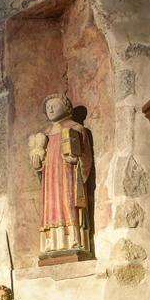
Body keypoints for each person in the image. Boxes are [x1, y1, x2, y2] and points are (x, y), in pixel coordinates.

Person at [28, 93, 93, 258]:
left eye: (54, 105)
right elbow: (43, 164)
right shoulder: (45, 136)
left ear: (67, 108)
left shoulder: (77, 129)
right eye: (47, 107)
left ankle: (74, 240)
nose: (50, 109)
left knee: (69, 204)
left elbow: (86, 157)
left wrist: (76, 160)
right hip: (51, 181)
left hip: (69, 177)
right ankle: (52, 243)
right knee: (51, 208)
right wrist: (38, 166)